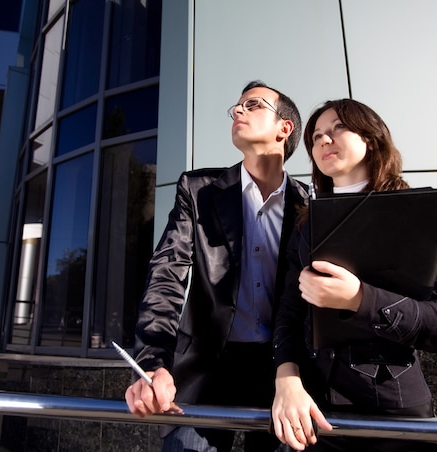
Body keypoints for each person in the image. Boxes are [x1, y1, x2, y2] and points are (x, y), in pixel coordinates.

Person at [271, 99, 437, 451]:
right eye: (316, 136)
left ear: (372, 137)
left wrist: (360, 299)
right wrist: (286, 378)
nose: (323, 140)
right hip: (314, 414)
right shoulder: (305, 225)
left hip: (393, 416)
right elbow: (287, 312)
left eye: (337, 129)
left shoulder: (417, 214)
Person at [125, 80, 308, 452]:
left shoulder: (308, 203)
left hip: (283, 368)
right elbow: (166, 276)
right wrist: (153, 362)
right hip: (208, 367)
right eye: (236, 107)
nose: (238, 111)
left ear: (283, 128)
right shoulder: (199, 190)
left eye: (253, 105)